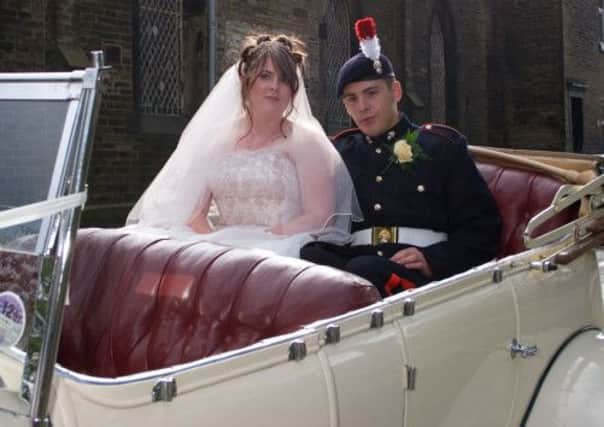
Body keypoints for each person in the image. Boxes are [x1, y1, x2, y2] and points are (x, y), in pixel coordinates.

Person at [300, 17, 502, 296]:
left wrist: (434, 260)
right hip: (356, 266)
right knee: (308, 257)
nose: (363, 107)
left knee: (366, 269)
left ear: (395, 91)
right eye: (352, 99)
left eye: (371, 93)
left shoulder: (441, 148)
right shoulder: (341, 153)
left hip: (415, 280)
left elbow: (483, 228)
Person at [126, 33, 361, 257]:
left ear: (293, 89)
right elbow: (195, 214)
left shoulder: (307, 142)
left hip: (284, 246)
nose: (274, 86)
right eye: (265, 76)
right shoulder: (215, 140)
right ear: (245, 80)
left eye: (284, 80)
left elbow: (319, 216)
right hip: (223, 246)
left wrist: (265, 240)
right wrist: (218, 246)